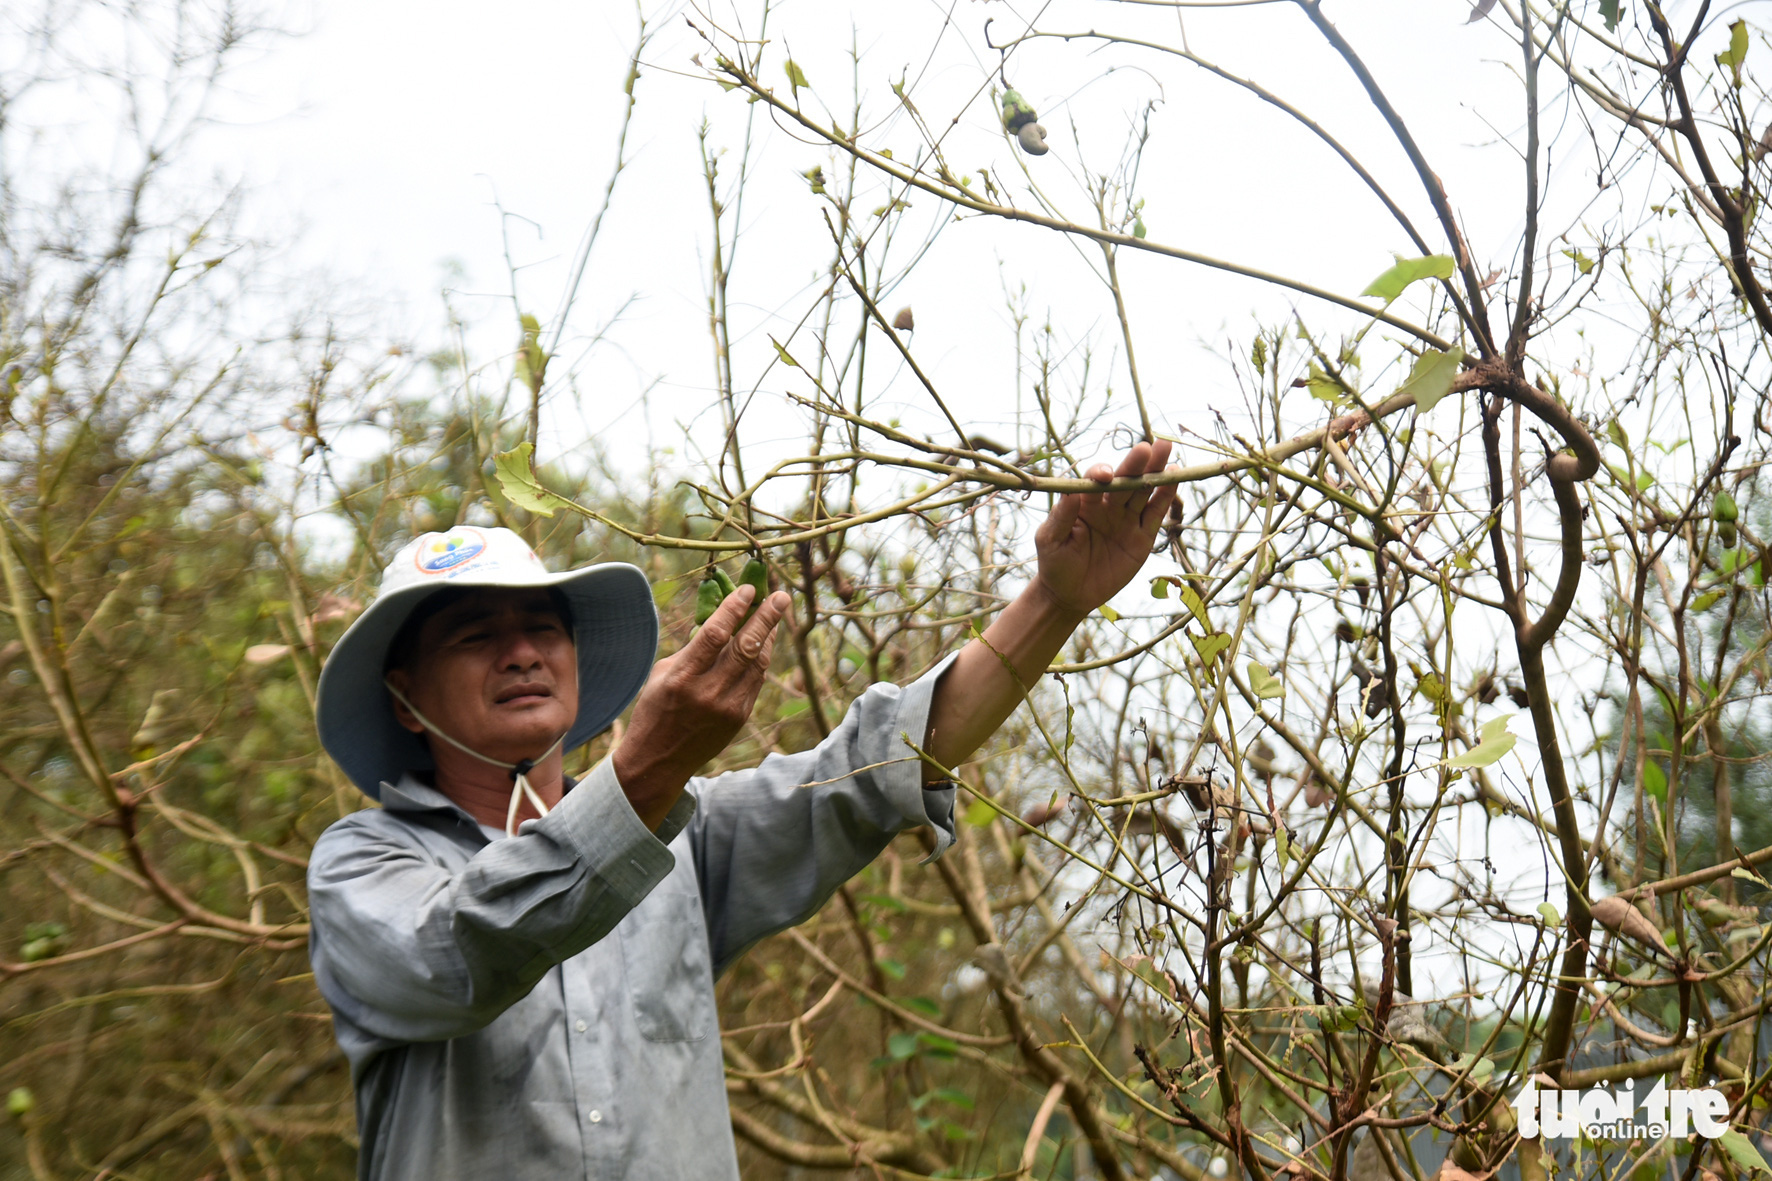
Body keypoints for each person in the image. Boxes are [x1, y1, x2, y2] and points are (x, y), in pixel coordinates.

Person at [307, 440, 1176, 1180]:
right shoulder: (364, 870)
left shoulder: (687, 840)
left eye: (545, 625)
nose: (524, 651)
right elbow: (457, 953)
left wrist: (1052, 604)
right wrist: (646, 770)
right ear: (403, 693)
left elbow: (875, 769)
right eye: (474, 633)